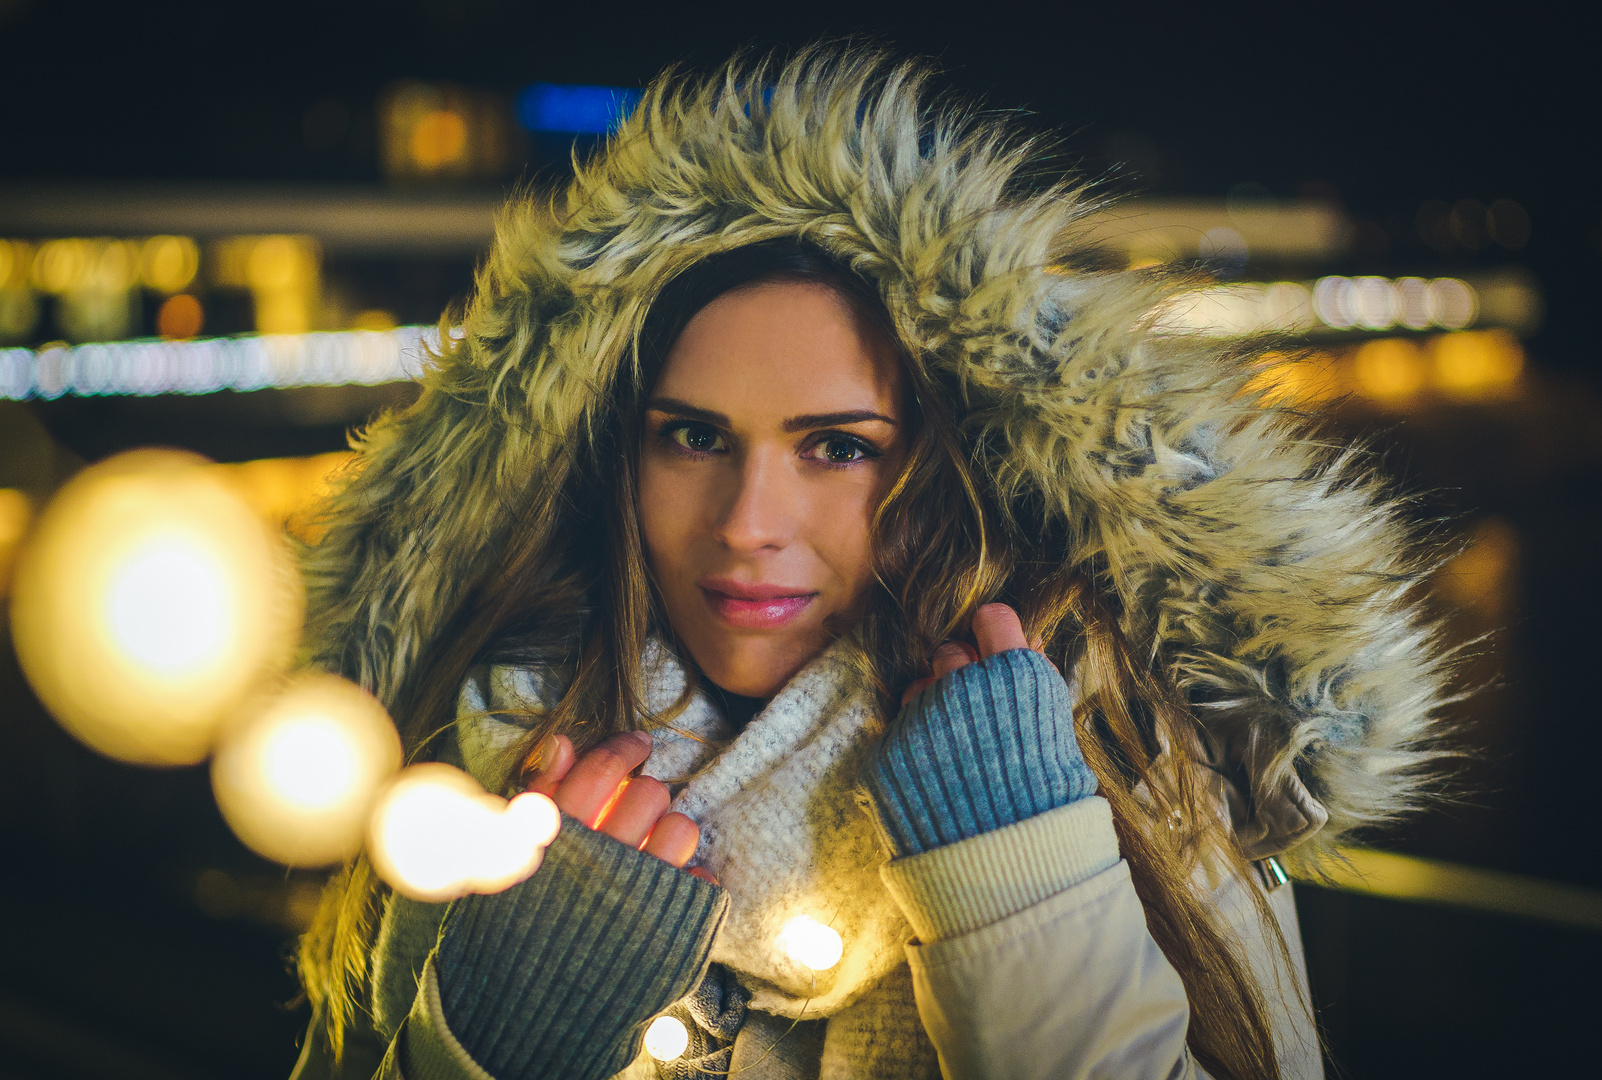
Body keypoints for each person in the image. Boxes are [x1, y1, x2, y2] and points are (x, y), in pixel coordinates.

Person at [290, 46, 1448, 1080]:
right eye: (693, 436)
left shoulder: (1126, 762)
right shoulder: (489, 769)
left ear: (952, 477)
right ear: (613, 453)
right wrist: (483, 1051)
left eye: (838, 448)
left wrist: (1026, 873)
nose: (748, 522)